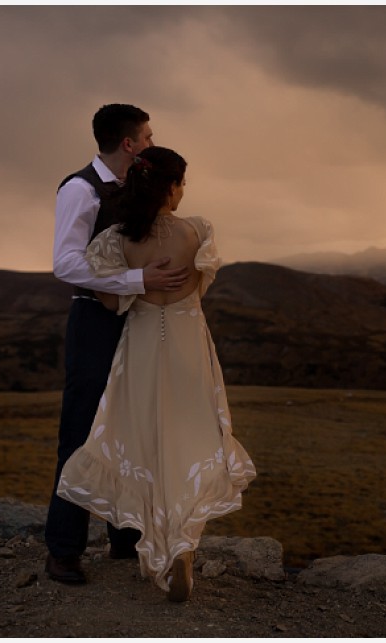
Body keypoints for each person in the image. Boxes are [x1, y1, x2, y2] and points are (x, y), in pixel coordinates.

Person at [55, 146, 256, 602]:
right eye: (182, 183)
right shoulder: (198, 231)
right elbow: (202, 285)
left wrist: (136, 280)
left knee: (145, 442)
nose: (185, 192)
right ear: (171, 187)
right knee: (189, 441)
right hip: (188, 348)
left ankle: (151, 541)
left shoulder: (117, 240)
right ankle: (181, 547)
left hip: (141, 348)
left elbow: (110, 301)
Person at [46, 104, 190, 585]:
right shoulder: (80, 189)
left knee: (130, 427)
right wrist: (135, 277)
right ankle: (62, 550)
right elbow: (65, 263)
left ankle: (124, 539)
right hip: (94, 321)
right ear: (128, 142)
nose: (152, 142)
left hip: (136, 322)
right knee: (82, 431)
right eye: (147, 136)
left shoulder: (137, 186)